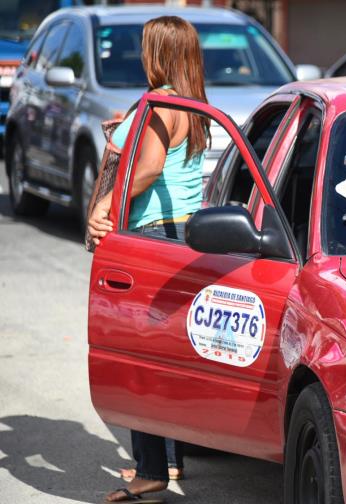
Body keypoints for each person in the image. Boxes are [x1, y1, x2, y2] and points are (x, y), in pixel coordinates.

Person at [87, 15, 209, 502]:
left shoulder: (161, 104)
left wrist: (105, 202)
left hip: (153, 237)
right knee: (171, 355)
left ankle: (151, 469)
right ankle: (170, 461)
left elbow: (151, 167)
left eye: (145, 47)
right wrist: (130, 126)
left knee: (139, 357)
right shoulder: (194, 103)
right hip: (188, 235)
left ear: (158, 53)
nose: (141, 56)